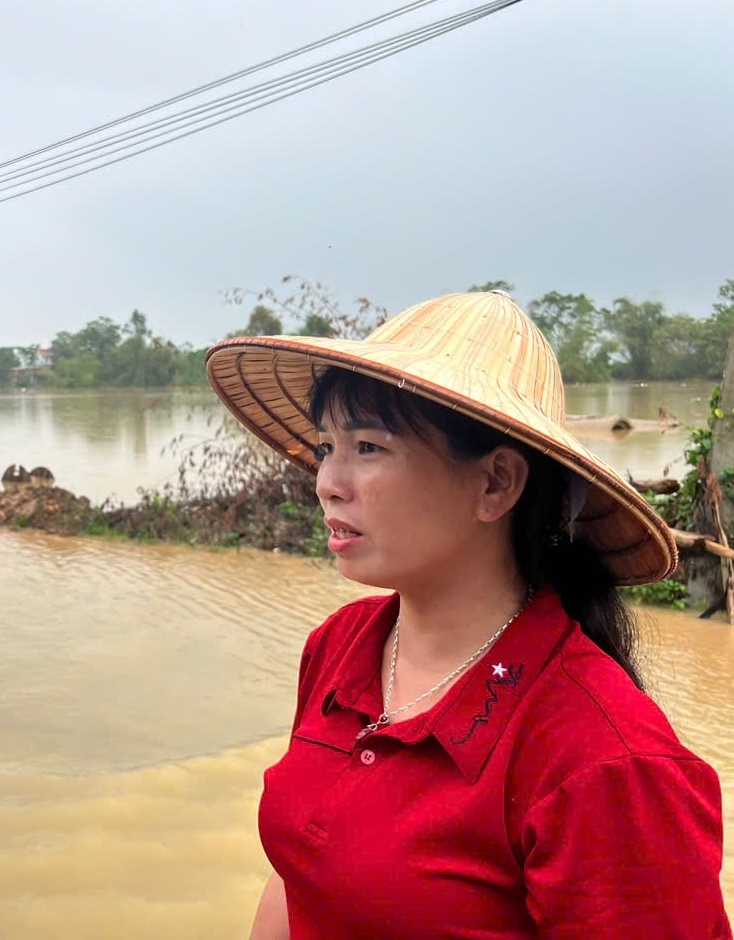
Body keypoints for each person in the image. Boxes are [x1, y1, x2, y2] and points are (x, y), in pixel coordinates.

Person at [204, 290, 731, 939]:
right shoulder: (339, 648)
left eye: (367, 446)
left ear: (495, 485)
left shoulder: (604, 760)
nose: (328, 481)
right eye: (325, 448)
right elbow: (294, 876)